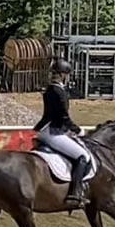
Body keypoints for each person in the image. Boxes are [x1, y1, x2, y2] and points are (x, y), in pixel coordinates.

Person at [33, 58, 90, 207]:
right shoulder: (58, 91)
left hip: (46, 130)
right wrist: (77, 130)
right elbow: (63, 116)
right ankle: (75, 194)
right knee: (82, 156)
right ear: (64, 75)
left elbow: (52, 115)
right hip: (54, 132)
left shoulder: (51, 89)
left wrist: (38, 129)